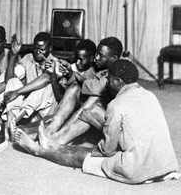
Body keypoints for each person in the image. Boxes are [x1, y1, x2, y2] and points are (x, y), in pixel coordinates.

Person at [14, 60, 180, 184]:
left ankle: (38, 150)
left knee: (84, 156)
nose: (106, 83)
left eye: (109, 80)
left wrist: (90, 151)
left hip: (137, 169)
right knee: (93, 149)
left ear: (117, 82)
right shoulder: (150, 95)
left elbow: (107, 151)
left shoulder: (117, 105)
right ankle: (52, 145)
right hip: (164, 164)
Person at [47, 37, 123, 145]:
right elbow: (81, 82)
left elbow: (96, 88)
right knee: (75, 88)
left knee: (94, 98)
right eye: (97, 54)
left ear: (113, 58)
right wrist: (70, 73)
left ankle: (57, 139)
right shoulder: (97, 67)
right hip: (89, 113)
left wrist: (76, 75)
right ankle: (50, 131)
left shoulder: (118, 72)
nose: (96, 58)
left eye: (101, 56)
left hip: (109, 121)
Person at [3, 32, 58, 140]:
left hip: (46, 113)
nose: (38, 52)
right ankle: (10, 121)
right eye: (35, 48)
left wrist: (17, 92)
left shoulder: (55, 62)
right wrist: (14, 55)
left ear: (50, 49)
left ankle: (13, 122)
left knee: (44, 86)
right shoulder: (28, 58)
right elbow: (8, 80)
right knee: (13, 81)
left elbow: (46, 79)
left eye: (42, 49)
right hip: (28, 114)